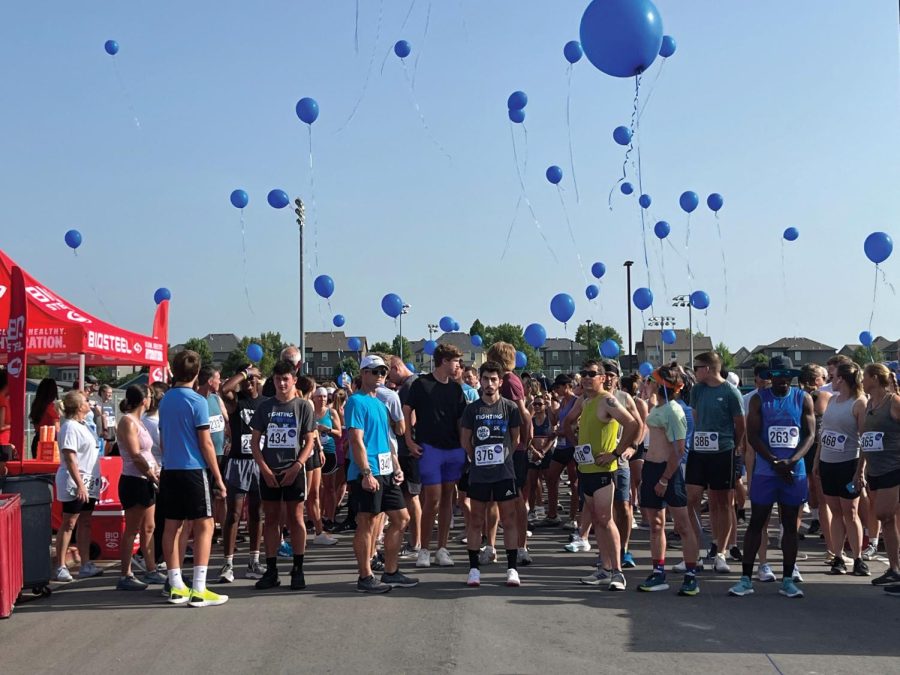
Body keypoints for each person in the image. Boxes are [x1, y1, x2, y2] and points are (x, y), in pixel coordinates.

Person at [730, 356, 815, 599]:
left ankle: (788, 579)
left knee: (790, 525)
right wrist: (774, 461)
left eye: (784, 376)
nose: (780, 380)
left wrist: (792, 460)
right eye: (775, 376)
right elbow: (753, 436)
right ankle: (745, 578)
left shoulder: (803, 398)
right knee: (757, 522)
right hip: (767, 471)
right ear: (770, 377)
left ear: (791, 376)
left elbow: (809, 435)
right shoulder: (758, 399)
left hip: (793, 470)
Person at [158, 350, 229, 607]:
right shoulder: (197, 401)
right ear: (197, 374)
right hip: (193, 470)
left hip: (170, 469)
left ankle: (176, 585)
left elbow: (163, 438)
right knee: (205, 525)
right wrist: (219, 478)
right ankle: (199, 587)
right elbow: (206, 443)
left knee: (172, 526)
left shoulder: (165, 400)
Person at [345, 355, 417, 593]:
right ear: (363, 373)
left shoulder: (381, 403)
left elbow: (387, 439)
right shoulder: (355, 402)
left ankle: (391, 571)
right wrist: (366, 473)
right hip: (368, 472)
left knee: (401, 518)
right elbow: (356, 440)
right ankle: (365, 576)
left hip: (386, 469)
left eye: (383, 372)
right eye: (374, 372)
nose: (379, 376)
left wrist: (396, 466)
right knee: (367, 522)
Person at [571, 360, 639, 591]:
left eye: (592, 374)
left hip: (604, 471)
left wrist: (616, 453)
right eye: (584, 373)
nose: (587, 377)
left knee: (606, 519)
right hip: (586, 469)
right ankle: (604, 568)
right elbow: (567, 421)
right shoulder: (584, 400)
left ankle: (618, 572)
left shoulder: (607, 400)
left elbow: (633, 425)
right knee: (597, 522)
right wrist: (575, 446)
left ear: (602, 378)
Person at [250, 359, 316, 591]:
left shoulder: (303, 406)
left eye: (285, 379)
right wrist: (264, 469)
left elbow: (310, 440)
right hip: (270, 470)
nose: (281, 383)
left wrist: (298, 465)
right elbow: (255, 443)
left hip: (294, 469)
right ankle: (271, 570)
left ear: (294, 380)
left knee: (296, 518)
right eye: (277, 379)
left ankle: (298, 568)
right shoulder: (265, 407)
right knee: (271, 519)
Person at [404, 343, 468, 568]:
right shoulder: (421, 384)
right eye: (455, 361)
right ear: (444, 361)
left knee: (448, 498)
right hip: (429, 448)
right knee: (432, 498)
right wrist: (409, 439)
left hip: (453, 449)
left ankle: (442, 549)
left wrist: (465, 447)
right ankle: (424, 549)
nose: (458, 365)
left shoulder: (456, 389)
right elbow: (407, 409)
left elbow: (462, 421)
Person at [638, 367, 700, 596]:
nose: (648, 383)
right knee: (656, 525)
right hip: (652, 469)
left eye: (651, 380)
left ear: (661, 385)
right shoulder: (658, 407)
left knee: (682, 526)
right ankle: (658, 572)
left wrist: (665, 479)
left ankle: (691, 575)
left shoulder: (674, 411)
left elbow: (679, 449)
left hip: (668, 472)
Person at [460, 361, 523, 587]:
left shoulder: (510, 408)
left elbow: (516, 438)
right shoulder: (472, 409)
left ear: (500, 382)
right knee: (476, 520)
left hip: (504, 473)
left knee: (509, 519)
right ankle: (474, 569)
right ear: (481, 380)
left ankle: (512, 568)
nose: (489, 383)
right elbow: (465, 440)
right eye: (485, 379)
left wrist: (504, 456)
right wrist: (477, 458)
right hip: (479, 474)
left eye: (493, 379)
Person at [686, 351, 746, 574]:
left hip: (723, 451)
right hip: (699, 450)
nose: (694, 371)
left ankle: (721, 552)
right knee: (691, 498)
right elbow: (696, 417)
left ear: (708, 369)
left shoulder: (731, 392)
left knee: (723, 502)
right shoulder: (697, 390)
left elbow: (740, 424)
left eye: (697, 367)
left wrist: (735, 446)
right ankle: (694, 551)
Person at [815, 362, 869, 576]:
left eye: (833, 376)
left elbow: (864, 439)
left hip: (849, 463)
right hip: (828, 463)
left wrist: (860, 470)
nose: (830, 380)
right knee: (835, 511)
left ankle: (857, 558)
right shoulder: (833, 401)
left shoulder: (859, 403)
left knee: (851, 512)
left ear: (842, 379)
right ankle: (838, 556)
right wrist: (816, 461)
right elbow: (824, 433)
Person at [486, 342, 533, 566]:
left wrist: (522, 443)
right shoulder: (501, 381)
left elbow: (523, 415)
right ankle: (491, 546)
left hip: (511, 450)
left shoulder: (510, 382)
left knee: (515, 500)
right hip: (497, 448)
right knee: (493, 499)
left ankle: (521, 547)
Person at [218, 364, 266, 582]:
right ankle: (227, 563)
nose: (248, 383)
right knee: (234, 513)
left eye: (252, 379)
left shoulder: (265, 403)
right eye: (245, 379)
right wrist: (245, 373)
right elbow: (223, 389)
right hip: (238, 463)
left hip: (259, 462)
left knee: (257, 513)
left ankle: (253, 561)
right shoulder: (236, 401)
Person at [116, 385, 166, 590]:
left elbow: (147, 452)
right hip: (134, 480)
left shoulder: (140, 421)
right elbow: (135, 455)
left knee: (149, 527)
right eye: (149, 396)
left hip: (147, 479)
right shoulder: (128, 422)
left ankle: (151, 569)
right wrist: (151, 475)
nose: (151, 399)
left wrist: (157, 471)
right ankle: (125, 574)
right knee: (133, 528)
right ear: (143, 399)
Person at [52, 390, 103, 582]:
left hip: (89, 480)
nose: (89, 403)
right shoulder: (69, 427)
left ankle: (85, 563)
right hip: (75, 481)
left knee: (85, 521)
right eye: (86, 401)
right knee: (69, 522)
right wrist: (80, 484)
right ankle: (60, 566)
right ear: (79, 406)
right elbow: (70, 458)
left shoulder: (83, 425)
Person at [860, 363, 900, 589]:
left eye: (864, 377)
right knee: (886, 519)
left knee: (885, 514)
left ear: (875, 378)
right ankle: (894, 569)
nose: (862, 382)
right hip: (875, 469)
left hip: (894, 468)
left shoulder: (893, 402)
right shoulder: (869, 404)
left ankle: (896, 568)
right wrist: (860, 470)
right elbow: (866, 439)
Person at [388, 357, 421, 556]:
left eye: (389, 372)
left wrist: (396, 428)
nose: (387, 378)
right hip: (410, 448)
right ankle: (414, 541)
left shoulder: (409, 387)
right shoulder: (413, 383)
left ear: (397, 368)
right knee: (410, 496)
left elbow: (410, 419)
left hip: (408, 450)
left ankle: (415, 543)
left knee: (412, 496)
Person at [542, 374, 579, 528]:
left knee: (574, 482)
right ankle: (552, 515)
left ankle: (573, 517)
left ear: (566, 386)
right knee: (551, 478)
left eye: (558, 387)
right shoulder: (562, 402)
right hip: (562, 446)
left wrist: (560, 433)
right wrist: (549, 404)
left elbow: (576, 426)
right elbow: (554, 421)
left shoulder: (577, 401)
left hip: (572, 445)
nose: (556, 390)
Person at [143, 381, 169, 569]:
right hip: (157, 471)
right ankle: (155, 556)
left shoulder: (146, 419)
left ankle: (152, 555)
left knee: (155, 519)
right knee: (160, 519)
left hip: (154, 470)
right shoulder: (154, 422)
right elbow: (163, 447)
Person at [314, 386, 343, 537]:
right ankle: (317, 517)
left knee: (330, 487)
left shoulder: (331, 412)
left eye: (325, 397)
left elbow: (339, 433)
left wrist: (327, 429)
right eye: (319, 396)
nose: (322, 399)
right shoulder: (311, 412)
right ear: (314, 397)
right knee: (317, 489)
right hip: (313, 452)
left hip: (330, 452)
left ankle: (330, 518)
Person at [29, 377, 60, 458]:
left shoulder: (36, 406)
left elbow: (36, 426)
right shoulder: (52, 408)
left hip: (37, 440)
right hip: (50, 442)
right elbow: (57, 430)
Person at [0, 369, 13, 476]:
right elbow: (1, 426)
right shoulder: (2, 400)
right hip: (3, 442)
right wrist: (13, 426)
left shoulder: (4, 399)